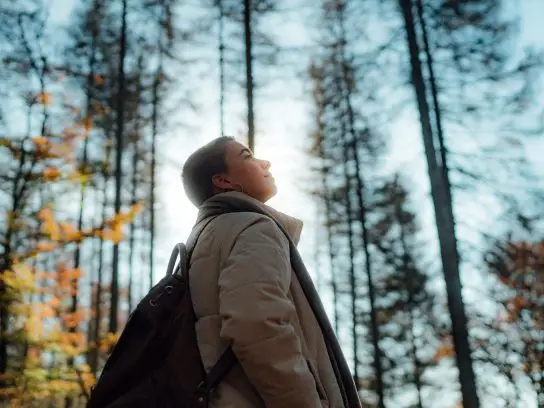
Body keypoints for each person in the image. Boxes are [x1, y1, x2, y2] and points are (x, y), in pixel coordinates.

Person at [181, 136, 361, 408]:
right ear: (224, 181)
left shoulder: (204, 240)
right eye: (247, 156)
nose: (265, 162)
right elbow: (255, 322)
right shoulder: (253, 226)